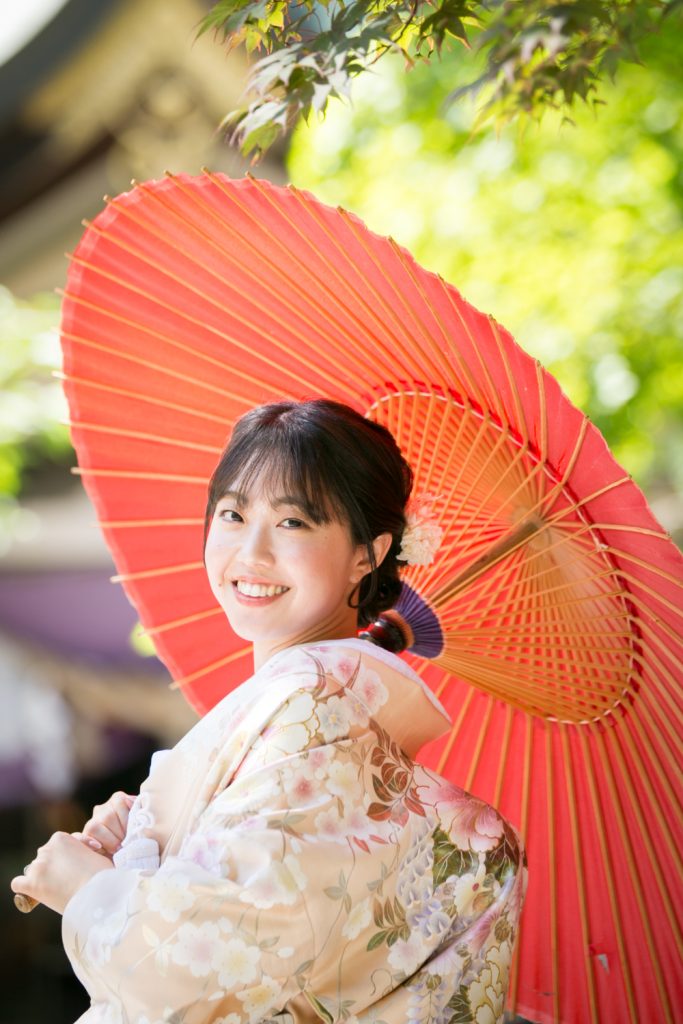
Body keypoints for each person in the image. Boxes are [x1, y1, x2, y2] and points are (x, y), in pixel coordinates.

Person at [12, 399, 526, 1024]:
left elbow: (202, 974)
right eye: (232, 513)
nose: (250, 552)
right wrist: (150, 840)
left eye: (293, 523)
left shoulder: (316, 708)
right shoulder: (326, 712)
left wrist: (87, 887)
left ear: (369, 552)